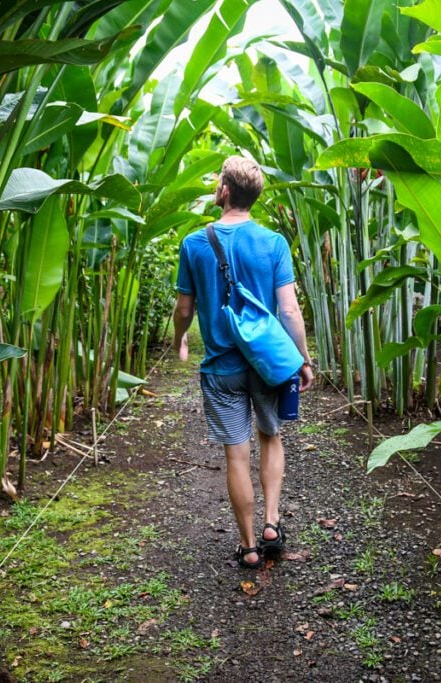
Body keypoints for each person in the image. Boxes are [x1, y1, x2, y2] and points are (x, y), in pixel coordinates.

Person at [172, 156, 315, 569]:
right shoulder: (272, 243)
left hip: (221, 368)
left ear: (224, 191)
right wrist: (302, 359)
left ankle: (249, 545)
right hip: (268, 365)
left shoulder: (194, 244)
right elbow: (289, 311)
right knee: (270, 437)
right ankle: (272, 521)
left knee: (236, 454)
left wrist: (181, 341)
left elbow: (184, 308)